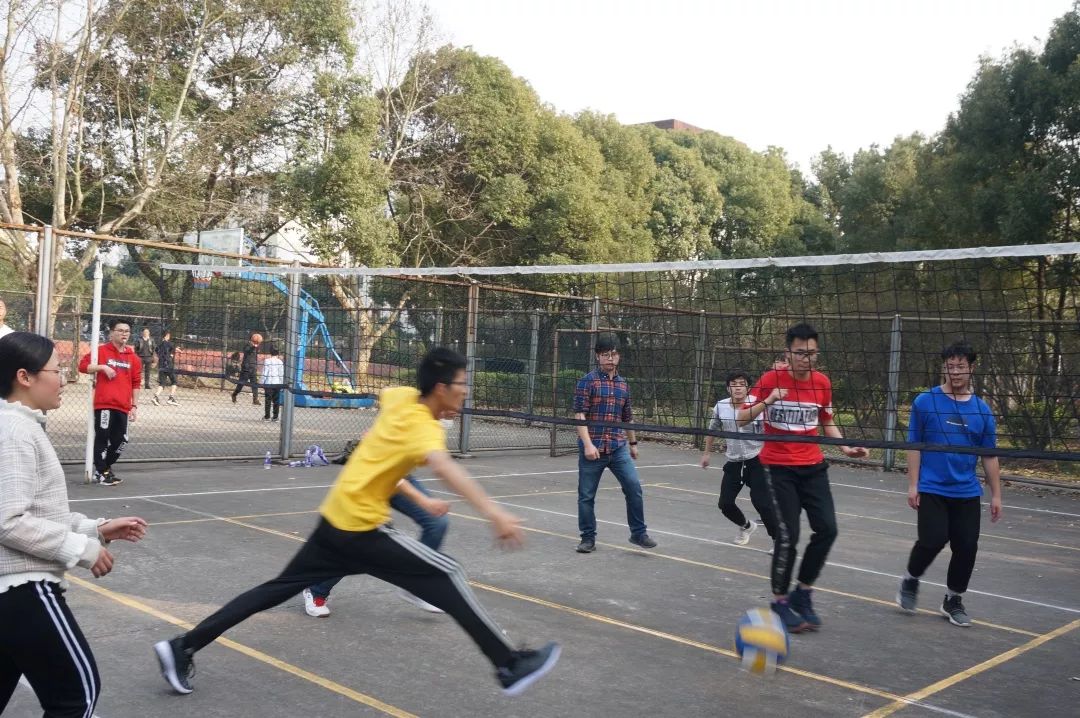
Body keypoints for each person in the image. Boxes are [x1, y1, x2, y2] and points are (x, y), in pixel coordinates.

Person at [153, 347, 560, 697]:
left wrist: (392, 464)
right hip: (362, 530)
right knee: (448, 571)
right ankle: (508, 664)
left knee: (273, 590)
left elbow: (385, 414)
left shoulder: (402, 398)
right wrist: (495, 513)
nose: (465, 391)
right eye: (461, 384)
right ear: (441, 388)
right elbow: (445, 468)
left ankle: (183, 646)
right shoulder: (423, 428)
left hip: (335, 519)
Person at [0, 331, 148, 717]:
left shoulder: (18, 426)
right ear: (24, 377)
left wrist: (95, 529)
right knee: (76, 697)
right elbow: (8, 521)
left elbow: (35, 515)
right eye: (56, 370)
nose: (64, 379)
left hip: (11, 595)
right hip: (23, 589)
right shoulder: (13, 430)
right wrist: (82, 549)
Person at [738, 323, 868, 633]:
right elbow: (742, 417)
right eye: (800, 353)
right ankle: (780, 601)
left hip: (813, 467)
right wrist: (769, 400)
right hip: (778, 468)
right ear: (788, 352)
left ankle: (803, 593)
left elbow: (827, 421)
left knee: (828, 529)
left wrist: (846, 447)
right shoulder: (770, 380)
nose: (805, 359)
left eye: (811, 354)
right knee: (789, 536)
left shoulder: (822, 383)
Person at [896, 341, 1002, 627]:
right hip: (932, 487)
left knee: (966, 547)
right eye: (950, 367)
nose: (954, 372)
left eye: (960, 367)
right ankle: (910, 579)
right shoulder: (925, 402)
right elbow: (914, 445)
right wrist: (913, 485)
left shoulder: (982, 410)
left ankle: (953, 599)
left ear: (971, 368)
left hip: (966, 491)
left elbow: (989, 455)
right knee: (932, 540)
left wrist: (996, 495)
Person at [302, 473, 451, 616]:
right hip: (370, 481)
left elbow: (439, 463)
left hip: (401, 477)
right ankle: (316, 591)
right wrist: (424, 500)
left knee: (437, 523)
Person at [573, 333, 656, 554]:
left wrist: (633, 443)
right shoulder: (587, 381)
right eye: (605, 354)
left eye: (614, 354)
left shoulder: (623, 385)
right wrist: (588, 445)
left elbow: (627, 417)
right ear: (598, 356)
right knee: (586, 496)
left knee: (634, 488)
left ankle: (638, 534)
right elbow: (580, 415)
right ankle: (587, 538)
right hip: (594, 448)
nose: (610, 358)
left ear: (619, 356)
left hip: (618, 447)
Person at [700, 369, 777, 546]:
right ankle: (746, 526)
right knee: (725, 504)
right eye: (734, 384)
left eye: (742, 384)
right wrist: (706, 453)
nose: (738, 388)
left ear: (748, 388)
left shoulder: (757, 404)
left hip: (757, 460)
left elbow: (771, 429)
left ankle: (777, 539)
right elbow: (712, 430)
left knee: (762, 502)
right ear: (728, 388)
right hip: (734, 461)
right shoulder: (721, 406)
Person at [79, 319, 141, 486]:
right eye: (120, 330)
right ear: (111, 333)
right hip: (104, 404)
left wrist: (134, 406)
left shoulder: (133, 358)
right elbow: (83, 366)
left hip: (123, 406)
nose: (124, 334)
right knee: (102, 437)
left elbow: (136, 383)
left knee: (122, 441)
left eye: (126, 331)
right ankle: (102, 472)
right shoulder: (101, 351)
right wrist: (102, 367)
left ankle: (103, 469)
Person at [231, 333, 262, 405]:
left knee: (254, 384)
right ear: (252, 339)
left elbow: (258, 351)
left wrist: (256, 346)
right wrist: (253, 346)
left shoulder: (256, 346)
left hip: (253, 368)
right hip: (246, 369)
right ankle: (234, 394)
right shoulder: (247, 345)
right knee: (241, 384)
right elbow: (247, 350)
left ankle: (255, 399)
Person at [152, 330, 180, 406]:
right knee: (174, 381)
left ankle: (155, 397)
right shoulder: (170, 344)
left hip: (161, 366)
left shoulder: (158, 345)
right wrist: (175, 350)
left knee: (162, 383)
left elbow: (157, 353)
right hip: (168, 365)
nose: (169, 337)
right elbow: (172, 348)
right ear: (167, 335)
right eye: (169, 335)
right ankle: (171, 398)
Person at [260, 345, 284, 421]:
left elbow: (265, 373)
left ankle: (267, 417)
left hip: (269, 383)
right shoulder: (280, 362)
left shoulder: (267, 361)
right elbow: (281, 375)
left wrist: (261, 382)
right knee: (276, 401)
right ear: (278, 353)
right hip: (277, 383)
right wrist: (281, 384)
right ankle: (275, 417)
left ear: (270, 352)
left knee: (268, 400)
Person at [132, 327, 156, 395]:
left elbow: (154, 348)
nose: (146, 333)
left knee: (148, 372)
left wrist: (153, 358)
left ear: (149, 333)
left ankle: (147, 385)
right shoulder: (139, 340)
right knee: (139, 371)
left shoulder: (151, 340)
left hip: (149, 357)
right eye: (145, 332)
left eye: (147, 332)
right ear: (142, 333)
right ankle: (138, 383)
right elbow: (136, 348)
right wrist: (136, 355)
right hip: (140, 357)